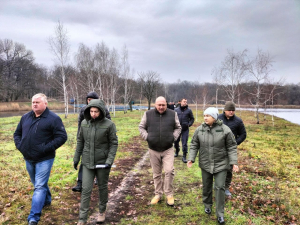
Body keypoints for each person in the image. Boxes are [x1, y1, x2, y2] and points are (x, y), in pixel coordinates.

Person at [14, 93, 68, 225]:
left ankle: (34, 217)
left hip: (45, 158)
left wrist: (45, 148)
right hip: (28, 157)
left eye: (38, 102)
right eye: (33, 102)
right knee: (39, 184)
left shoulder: (53, 119)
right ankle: (47, 200)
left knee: (38, 186)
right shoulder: (25, 117)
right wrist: (20, 146)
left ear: (45, 104)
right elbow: (17, 134)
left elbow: (62, 137)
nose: (34, 104)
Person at [187, 107, 238, 224]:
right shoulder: (199, 130)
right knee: (206, 186)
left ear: (214, 117)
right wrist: (191, 158)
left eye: (208, 116)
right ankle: (207, 205)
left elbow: (231, 146)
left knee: (220, 187)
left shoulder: (225, 130)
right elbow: (194, 144)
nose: (205, 118)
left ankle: (220, 213)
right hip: (205, 163)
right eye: (204, 115)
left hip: (221, 164)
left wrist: (233, 162)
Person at [73, 99, 118, 225]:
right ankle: (82, 219)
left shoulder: (109, 125)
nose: (93, 114)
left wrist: (109, 160)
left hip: (103, 163)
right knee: (86, 189)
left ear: (101, 111)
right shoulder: (84, 123)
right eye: (91, 111)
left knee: (102, 187)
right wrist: (76, 158)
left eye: (96, 111)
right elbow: (80, 141)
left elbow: (113, 144)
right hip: (87, 162)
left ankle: (102, 211)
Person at [139, 96, 181, 206]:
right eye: (159, 105)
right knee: (156, 173)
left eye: (163, 105)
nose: (161, 107)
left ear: (166, 105)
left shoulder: (173, 114)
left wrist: (173, 138)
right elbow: (141, 127)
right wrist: (147, 137)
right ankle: (158, 194)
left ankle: (169, 194)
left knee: (169, 171)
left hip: (168, 148)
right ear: (155, 105)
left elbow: (178, 127)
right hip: (153, 149)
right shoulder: (148, 114)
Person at [72, 91, 111, 192]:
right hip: (86, 140)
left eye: (92, 100)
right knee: (84, 161)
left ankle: (99, 178)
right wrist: (79, 138)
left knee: (100, 159)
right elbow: (80, 126)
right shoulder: (83, 110)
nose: (90, 102)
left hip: (100, 140)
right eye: (88, 100)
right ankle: (80, 183)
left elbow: (108, 125)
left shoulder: (104, 110)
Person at [217, 101, 246, 197]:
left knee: (229, 169)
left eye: (233, 110)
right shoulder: (218, 118)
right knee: (217, 167)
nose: (231, 112)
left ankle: (226, 187)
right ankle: (217, 184)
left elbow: (243, 134)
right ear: (225, 110)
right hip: (218, 148)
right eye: (229, 110)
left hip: (230, 149)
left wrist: (235, 143)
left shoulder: (238, 121)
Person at [174, 98, 194, 162]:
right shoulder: (176, 110)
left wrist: (189, 124)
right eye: (184, 101)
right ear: (180, 102)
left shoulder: (189, 110)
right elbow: (173, 118)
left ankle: (184, 156)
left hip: (185, 129)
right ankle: (177, 151)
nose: (185, 103)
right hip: (177, 129)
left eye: (186, 102)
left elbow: (192, 119)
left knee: (184, 143)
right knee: (176, 142)